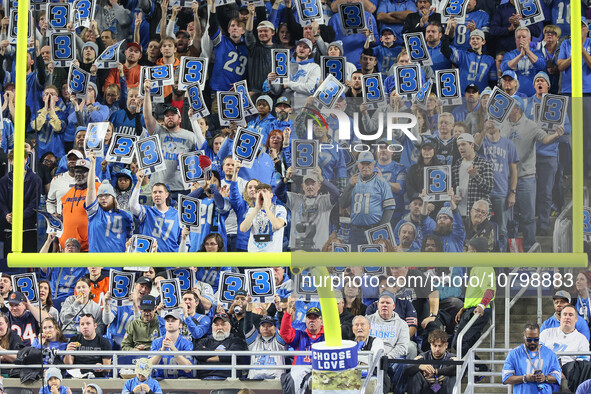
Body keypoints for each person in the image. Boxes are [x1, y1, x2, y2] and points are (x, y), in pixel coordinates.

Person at [499, 96, 564, 251]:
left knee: (528, 218)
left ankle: (530, 249)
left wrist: (555, 135)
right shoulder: (502, 123)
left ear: (517, 108)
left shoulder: (531, 125)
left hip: (525, 178)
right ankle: (508, 251)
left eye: (510, 106)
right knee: (505, 219)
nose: (506, 108)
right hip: (505, 178)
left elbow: (545, 139)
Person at [340, 151, 396, 250]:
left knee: (374, 264)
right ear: (358, 165)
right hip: (355, 231)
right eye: (363, 164)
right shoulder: (353, 181)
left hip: (374, 230)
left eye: (368, 164)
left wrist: (380, 230)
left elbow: (390, 208)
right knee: (355, 264)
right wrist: (350, 186)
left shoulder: (382, 182)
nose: (366, 166)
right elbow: (343, 204)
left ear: (373, 164)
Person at [277, 167, 339, 251]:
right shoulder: (295, 199)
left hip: (319, 247)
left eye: (313, 184)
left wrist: (322, 179)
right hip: (298, 247)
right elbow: (278, 192)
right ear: (303, 186)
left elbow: (336, 193)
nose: (310, 186)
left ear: (319, 186)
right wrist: (286, 178)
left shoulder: (325, 201)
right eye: (307, 184)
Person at [85, 153, 133, 253]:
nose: (103, 198)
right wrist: (93, 164)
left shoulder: (126, 215)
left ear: (113, 197)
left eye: (107, 196)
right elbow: (90, 189)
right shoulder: (94, 213)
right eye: (100, 196)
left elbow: (129, 240)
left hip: (117, 264)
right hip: (96, 265)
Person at [366, 292, 410, 394]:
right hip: (371, 358)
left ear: (393, 306)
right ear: (377, 305)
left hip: (391, 359)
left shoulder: (402, 324)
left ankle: (398, 392)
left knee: (403, 365)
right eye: (382, 303)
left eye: (388, 303)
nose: (384, 305)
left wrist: (386, 357)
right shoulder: (368, 320)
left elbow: (402, 347)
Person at [130, 170, 182, 253]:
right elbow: (132, 206)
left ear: (166, 195)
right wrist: (139, 182)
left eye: (160, 192)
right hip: (150, 260)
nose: (157, 194)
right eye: (154, 192)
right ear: (152, 195)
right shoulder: (146, 212)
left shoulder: (177, 214)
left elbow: (182, 240)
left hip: (171, 261)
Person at [502, 323, 561, 393]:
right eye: (529, 340)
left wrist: (545, 378)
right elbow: (506, 378)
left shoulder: (550, 354)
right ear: (523, 336)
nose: (532, 342)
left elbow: (557, 377)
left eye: (536, 339)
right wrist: (525, 378)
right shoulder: (514, 354)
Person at [280, 304, 324, 394]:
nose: (312, 320)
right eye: (309, 318)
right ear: (306, 320)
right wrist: (288, 314)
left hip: (321, 369)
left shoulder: (328, 336)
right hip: (300, 369)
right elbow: (284, 333)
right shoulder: (300, 335)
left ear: (321, 321)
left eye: (315, 318)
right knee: (295, 375)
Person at [194, 313, 248, 379]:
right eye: (216, 325)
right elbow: (198, 353)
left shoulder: (236, 341)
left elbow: (234, 356)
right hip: (204, 379)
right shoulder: (204, 341)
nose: (219, 327)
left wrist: (208, 357)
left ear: (230, 327)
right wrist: (216, 352)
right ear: (212, 327)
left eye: (223, 324)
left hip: (229, 380)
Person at [451, 133, 493, 218]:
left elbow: (489, 188)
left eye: (463, 144)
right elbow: (453, 188)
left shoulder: (484, 164)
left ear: (472, 145)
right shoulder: (456, 166)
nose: (460, 148)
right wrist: (453, 197)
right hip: (460, 213)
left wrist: (475, 176)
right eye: (459, 145)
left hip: (478, 214)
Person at [404, 329, 457, 394]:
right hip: (427, 388)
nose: (437, 349)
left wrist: (436, 372)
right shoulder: (423, 356)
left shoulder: (452, 357)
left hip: (443, 389)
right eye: (434, 346)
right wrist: (419, 366)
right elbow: (406, 370)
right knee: (414, 374)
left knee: (453, 377)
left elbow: (459, 369)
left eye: (440, 346)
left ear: (446, 345)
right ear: (430, 345)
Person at [240, 183, 287, 252]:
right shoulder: (252, 210)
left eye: (264, 191)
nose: (261, 194)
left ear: (271, 195)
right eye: (258, 192)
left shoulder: (279, 209)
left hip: (272, 256)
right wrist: (257, 208)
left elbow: (277, 225)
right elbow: (243, 229)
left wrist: (266, 208)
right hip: (254, 255)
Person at [149, 309, 193, 379]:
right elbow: (148, 367)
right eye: (167, 321)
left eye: (173, 321)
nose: (170, 323)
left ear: (180, 325)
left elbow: (188, 369)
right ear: (165, 324)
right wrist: (161, 350)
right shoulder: (156, 342)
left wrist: (174, 350)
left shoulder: (187, 343)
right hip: (160, 380)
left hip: (182, 381)